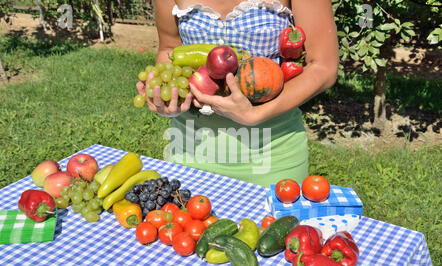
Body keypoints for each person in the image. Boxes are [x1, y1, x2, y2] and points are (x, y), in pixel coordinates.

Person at [136, 0, 339, 187]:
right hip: (189, 148)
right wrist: (167, 99)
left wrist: (255, 114)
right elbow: (169, 49)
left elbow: (323, 67)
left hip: (271, 154)